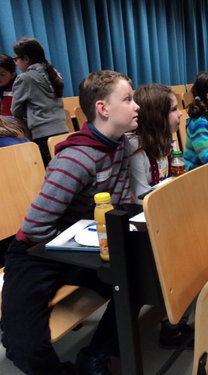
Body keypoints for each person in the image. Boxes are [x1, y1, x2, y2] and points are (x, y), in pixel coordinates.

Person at [1, 70, 138, 375]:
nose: (136, 105)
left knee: (137, 278)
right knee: (24, 347)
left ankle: (97, 354)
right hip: (34, 252)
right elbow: (36, 227)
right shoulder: (76, 159)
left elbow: (122, 202)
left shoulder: (121, 145)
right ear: (103, 108)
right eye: (128, 99)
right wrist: (80, 244)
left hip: (82, 243)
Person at [11, 37, 68, 166]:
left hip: (43, 136)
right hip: (63, 131)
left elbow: (16, 110)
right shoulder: (54, 73)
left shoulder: (25, 78)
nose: (15, 63)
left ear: (26, 59)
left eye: (16, 59)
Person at [128, 84, 182, 204]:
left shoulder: (167, 137)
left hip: (163, 201)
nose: (180, 113)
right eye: (173, 109)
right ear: (156, 117)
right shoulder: (135, 146)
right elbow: (140, 196)